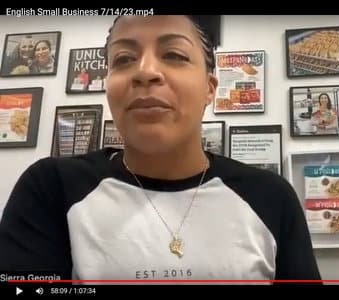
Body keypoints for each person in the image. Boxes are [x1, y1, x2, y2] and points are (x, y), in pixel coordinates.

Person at [0, 15, 320, 283]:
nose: (145, 72)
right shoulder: (52, 188)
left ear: (210, 88)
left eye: (174, 55)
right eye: (124, 59)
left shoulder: (271, 197)